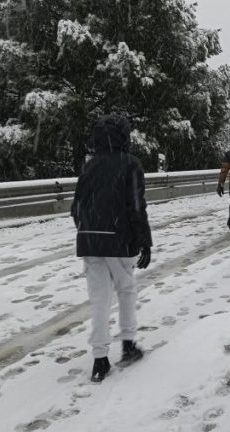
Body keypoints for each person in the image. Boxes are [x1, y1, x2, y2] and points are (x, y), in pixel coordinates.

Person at [71, 114, 152, 383]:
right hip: (119, 240)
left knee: (99, 300)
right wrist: (145, 240)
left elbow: (76, 208)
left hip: (90, 240)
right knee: (126, 290)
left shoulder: (89, 166)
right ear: (123, 136)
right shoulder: (131, 164)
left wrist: (88, 229)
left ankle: (99, 360)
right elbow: (136, 206)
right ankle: (128, 344)